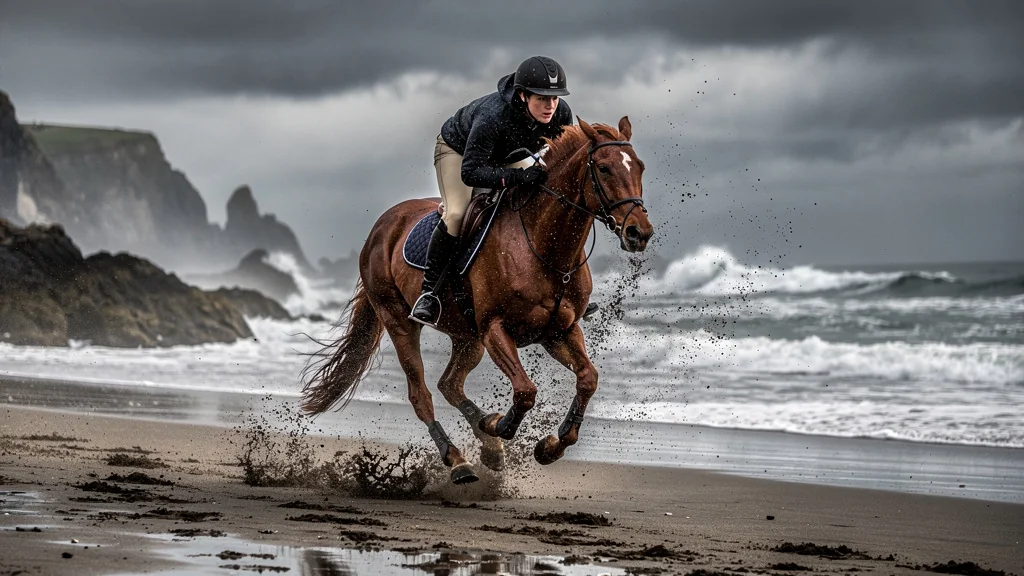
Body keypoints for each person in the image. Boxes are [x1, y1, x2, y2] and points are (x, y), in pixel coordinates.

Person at [409, 56, 573, 327]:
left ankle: (562, 288)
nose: (550, 106)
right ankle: (429, 293)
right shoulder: (492, 116)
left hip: (509, 155)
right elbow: (471, 173)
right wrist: (519, 176)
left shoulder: (561, 113)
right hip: (459, 153)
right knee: (456, 213)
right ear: (523, 95)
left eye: (555, 98)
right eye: (542, 98)